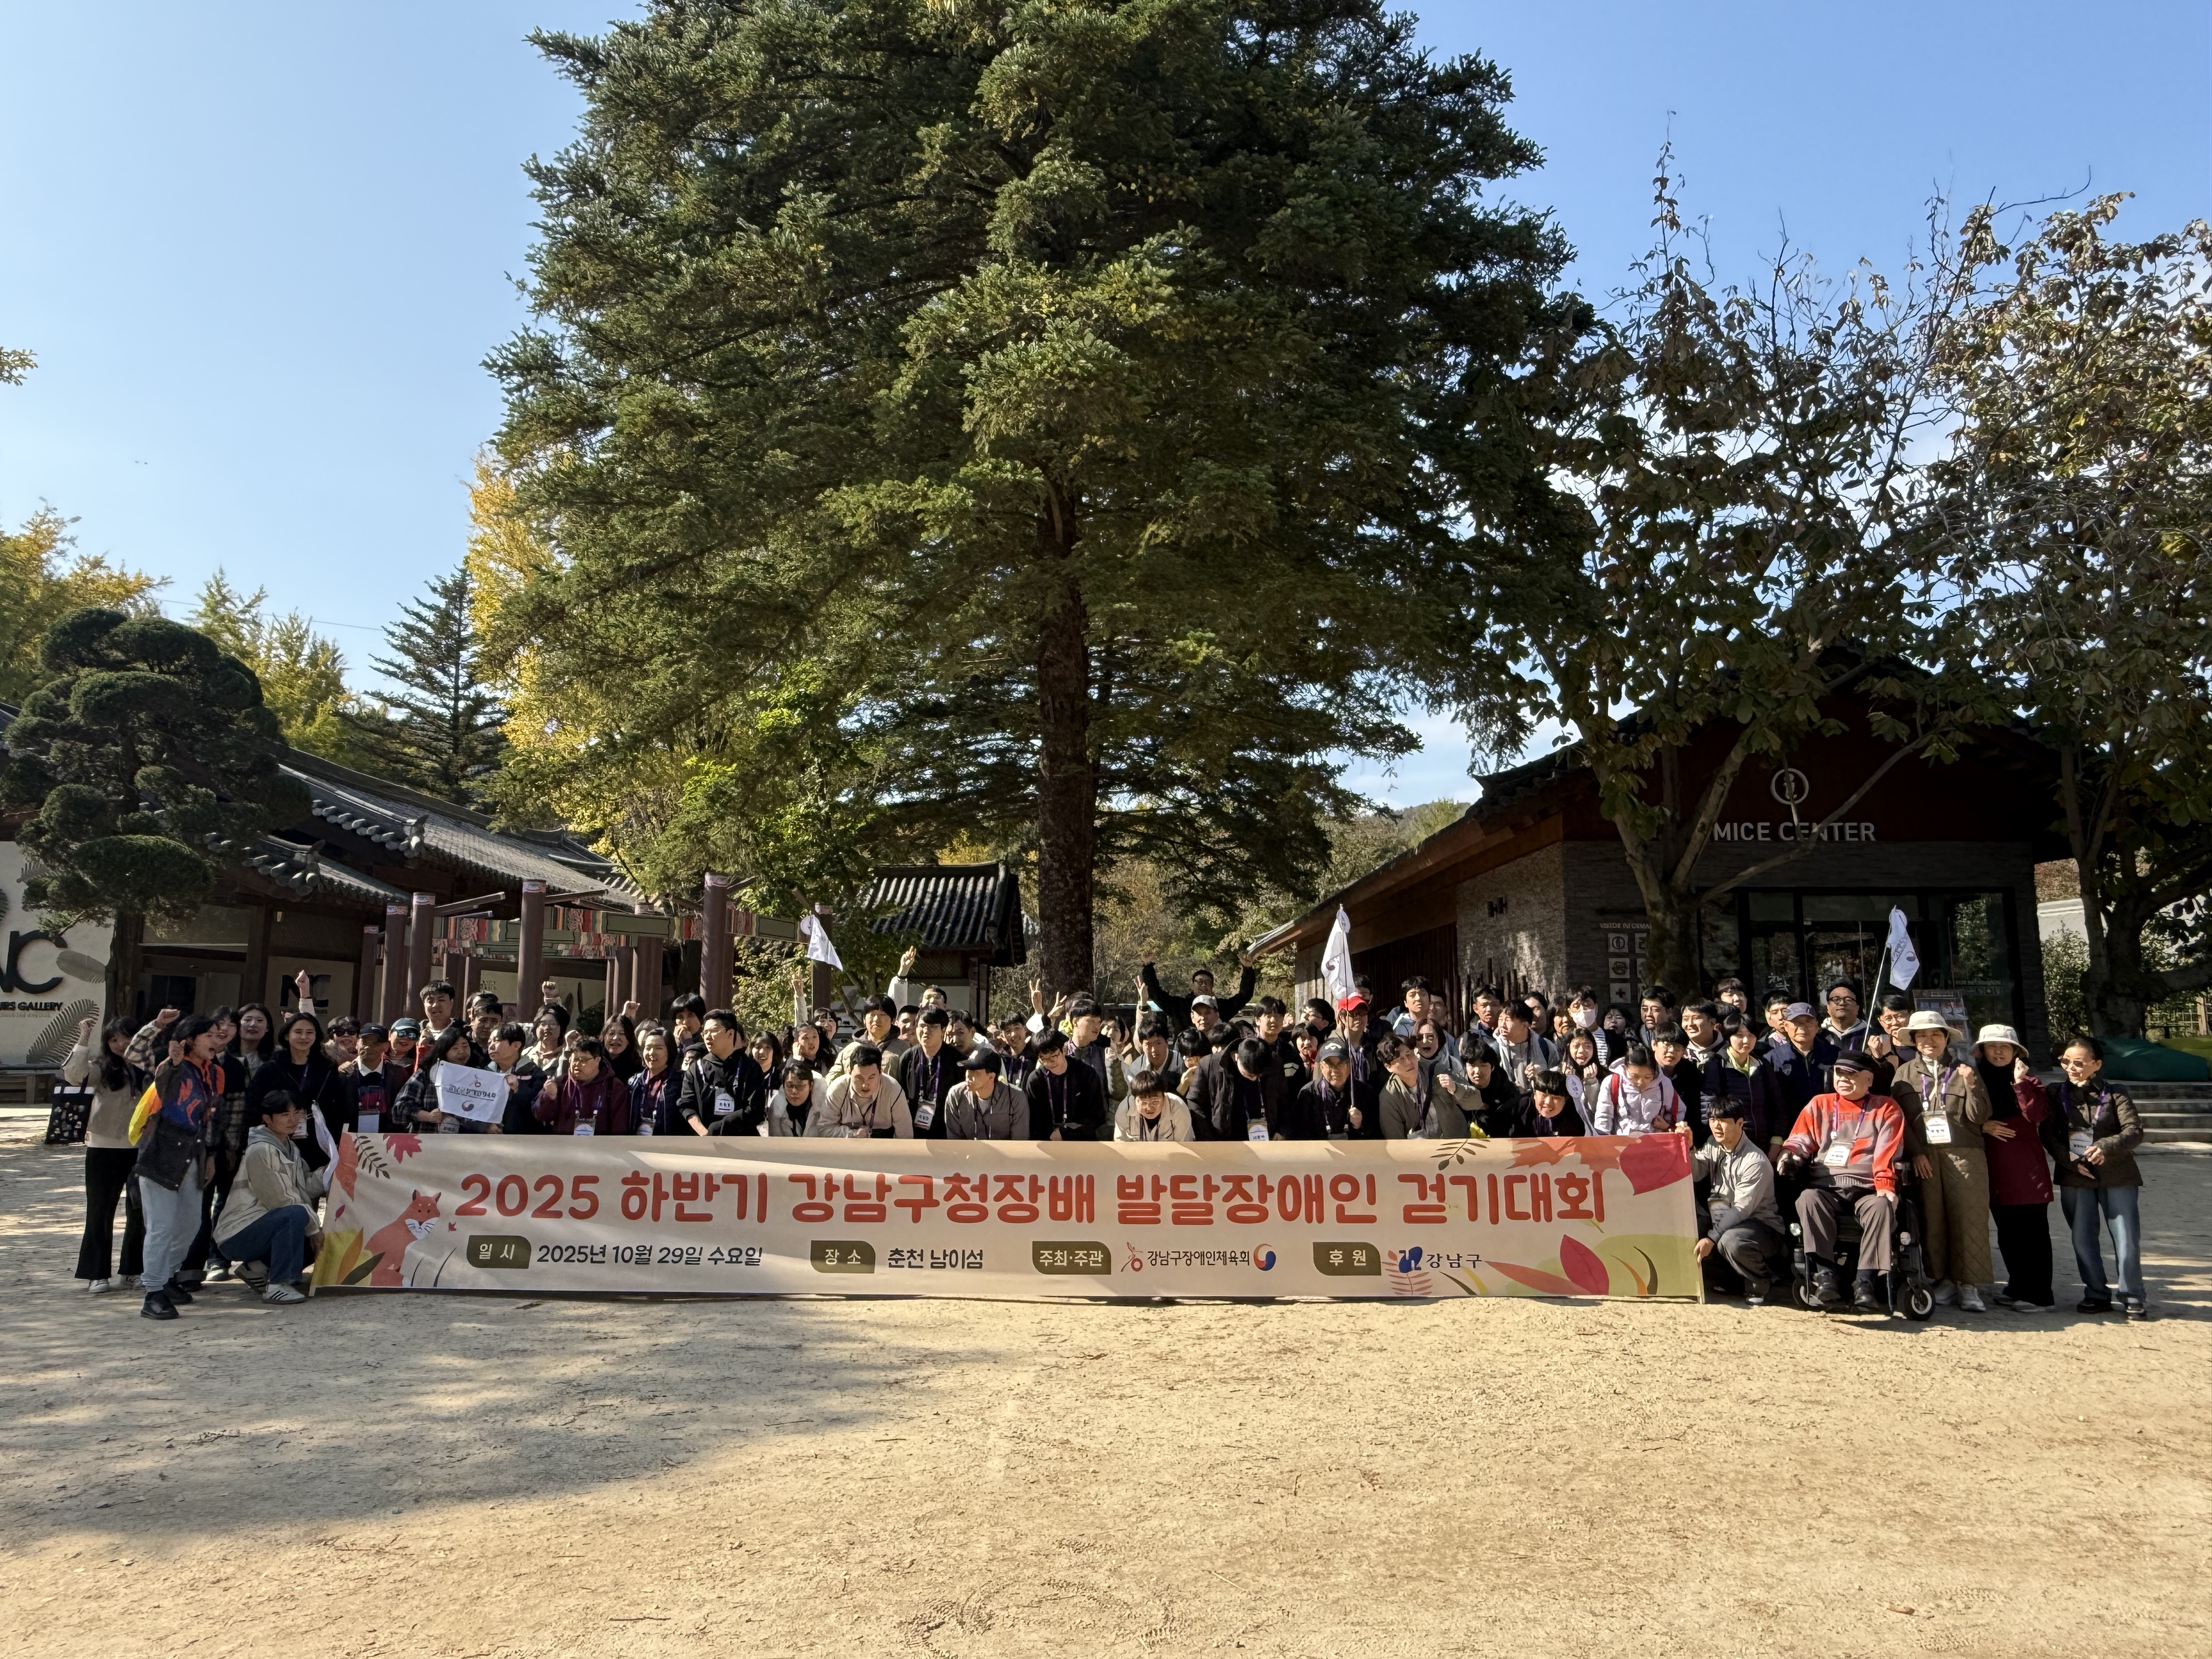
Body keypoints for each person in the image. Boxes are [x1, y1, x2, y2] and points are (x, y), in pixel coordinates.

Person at [1776, 1050, 1907, 1313]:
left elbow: (1887, 1152)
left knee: (1882, 1207)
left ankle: (1866, 1282)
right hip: (1826, 1187)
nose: (1843, 1079)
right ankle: (1825, 1276)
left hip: (1867, 1187)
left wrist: (1885, 1186)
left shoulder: (1886, 1108)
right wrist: (1789, 1155)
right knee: (1807, 1199)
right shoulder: (1819, 1104)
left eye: (1852, 1074)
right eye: (1839, 1073)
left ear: (1869, 1079)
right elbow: (1801, 1139)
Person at [1889, 1009, 1994, 1312]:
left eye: (1936, 1035)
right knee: (1932, 1218)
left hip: (1965, 1154)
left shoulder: (1964, 1070)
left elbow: (1980, 1117)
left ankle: (1969, 1284)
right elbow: (1899, 1120)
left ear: (1946, 1038)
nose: (1929, 1040)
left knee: (1968, 1218)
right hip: (1925, 1156)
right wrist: (1917, 1152)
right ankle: (1942, 1279)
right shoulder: (1905, 1073)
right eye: (1922, 1036)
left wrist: (1973, 1086)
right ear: (1915, 1040)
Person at [131, 1012, 224, 1321]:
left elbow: (210, 1119)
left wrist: (210, 1155)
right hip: (162, 1154)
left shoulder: (216, 1074)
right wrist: (172, 1060)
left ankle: (167, 1277)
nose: (216, 1039)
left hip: (195, 1155)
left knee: (189, 1225)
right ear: (190, 1040)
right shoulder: (172, 1067)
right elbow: (164, 1085)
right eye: (209, 1034)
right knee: (161, 1227)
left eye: (217, 1034)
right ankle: (153, 1292)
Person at [2051, 1036, 2148, 1317]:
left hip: (2117, 1174)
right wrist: (2070, 1162)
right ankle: (2096, 1293)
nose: (2071, 1067)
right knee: (2082, 1238)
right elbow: (2049, 1134)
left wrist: (2106, 1146)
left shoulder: (2116, 1092)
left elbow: (2134, 1131)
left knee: (2126, 1238)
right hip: (2076, 1174)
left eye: (2079, 1063)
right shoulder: (2056, 1093)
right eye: (2066, 1062)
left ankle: (2132, 1295)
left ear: (2096, 1064)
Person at [210, 1088, 324, 1305]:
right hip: (239, 1231)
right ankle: (278, 1285)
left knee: (309, 1230)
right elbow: (280, 1200)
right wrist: (314, 1229)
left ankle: (256, 1269)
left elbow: (304, 1186)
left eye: (297, 1113)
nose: (293, 1120)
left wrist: (328, 1175)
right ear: (267, 1119)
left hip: (262, 1225)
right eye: (284, 1115)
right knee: (297, 1216)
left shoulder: (289, 1147)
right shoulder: (261, 1150)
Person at [1972, 1024, 2056, 1312]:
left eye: (2005, 1047)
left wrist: (2020, 1083)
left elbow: (2036, 1115)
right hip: (1993, 1166)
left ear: (2016, 1052)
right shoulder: (1975, 1080)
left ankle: (2040, 1294)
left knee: (2033, 1231)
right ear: (1982, 1050)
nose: (1998, 1051)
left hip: (2025, 1167)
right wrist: (1983, 1125)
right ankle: (2018, 1286)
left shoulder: (2030, 1082)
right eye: (1992, 1046)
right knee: (2007, 1231)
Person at [66, 1016, 146, 1294]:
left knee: (140, 1212)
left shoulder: (150, 1066)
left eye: (126, 1037)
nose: (121, 1044)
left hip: (142, 1148)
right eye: (114, 1039)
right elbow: (74, 1075)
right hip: (104, 1147)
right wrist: (83, 1039)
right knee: (100, 1211)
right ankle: (96, 1273)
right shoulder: (102, 1066)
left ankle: (133, 1270)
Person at [1691, 1096, 1786, 1304]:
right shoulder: (1712, 1144)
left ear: (1740, 1123)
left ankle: (1762, 1280)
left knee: (1732, 1241)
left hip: (1760, 1227)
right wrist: (1689, 1147)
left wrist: (1712, 1238)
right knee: (1690, 1236)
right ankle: (1735, 1281)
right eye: (1713, 1120)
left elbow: (1741, 1210)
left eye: (1723, 1120)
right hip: (1721, 1221)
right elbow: (1695, 1173)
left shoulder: (1755, 1161)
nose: (1717, 1126)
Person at [245, 1010, 347, 1171]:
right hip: (279, 1138)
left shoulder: (327, 1068)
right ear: (287, 1035)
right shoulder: (271, 1068)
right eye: (298, 1032)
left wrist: (336, 1138)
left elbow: (338, 1107)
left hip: (317, 1140)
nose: (304, 1037)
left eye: (309, 1033)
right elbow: (253, 1105)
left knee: (312, 1187)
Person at [391, 1026, 500, 1135]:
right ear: (444, 1051)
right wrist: (427, 1116)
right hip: (427, 1143)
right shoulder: (427, 1074)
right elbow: (400, 1108)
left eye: (465, 1046)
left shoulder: (479, 1075)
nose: (462, 1052)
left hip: (465, 1145)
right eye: (455, 1048)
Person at [675, 1010, 769, 1136]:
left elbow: (755, 1111)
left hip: (742, 1144)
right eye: (705, 1032)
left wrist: (720, 1127)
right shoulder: (696, 1069)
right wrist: (705, 1134)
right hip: (706, 1144)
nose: (708, 1037)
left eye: (713, 1031)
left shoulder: (750, 1068)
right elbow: (686, 1105)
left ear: (730, 1033)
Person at [807, 1043, 913, 1137]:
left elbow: (905, 1135)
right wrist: (852, 1134)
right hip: (846, 1146)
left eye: (871, 1078)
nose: (865, 1084)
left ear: (881, 1073)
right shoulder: (838, 1089)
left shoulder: (893, 1090)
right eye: (859, 1078)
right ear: (849, 1072)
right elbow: (824, 1129)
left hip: (885, 1144)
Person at [1378, 1034, 1471, 1140]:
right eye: (1400, 1059)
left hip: (1454, 1145)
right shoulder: (1389, 1097)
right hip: (1418, 1153)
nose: (1408, 1062)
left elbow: (1475, 1101)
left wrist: (1456, 1089)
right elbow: (1395, 1141)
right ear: (1389, 1067)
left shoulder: (1437, 1070)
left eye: (1409, 1054)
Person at [533, 1039, 630, 1135]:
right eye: (575, 1059)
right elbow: (541, 1116)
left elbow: (619, 1128)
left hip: (600, 1148)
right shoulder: (560, 1084)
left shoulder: (614, 1087)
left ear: (598, 1060)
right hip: (565, 1147)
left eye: (583, 1060)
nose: (577, 1064)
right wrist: (549, 1097)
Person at [1026, 1028, 1108, 1142]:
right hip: (1048, 1142)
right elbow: (1035, 1122)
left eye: (1054, 1057)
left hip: (1082, 1142)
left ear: (1064, 1050)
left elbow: (1097, 1117)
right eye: (1044, 1059)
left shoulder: (1085, 1074)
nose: (1050, 1063)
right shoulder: (1036, 1080)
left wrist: (1067, 1134)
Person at [1138, 953, 1258, 1028]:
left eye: (1207, 983)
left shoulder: (1221, 1007)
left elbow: (1244, 996)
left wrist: (1248, 969)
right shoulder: (1180, 1006)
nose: (1204, 985)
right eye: (1200, 982)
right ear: (1192, 985)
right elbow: (1156, 994)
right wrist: (1148, 966)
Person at [1592, 1046, 1684, 1136]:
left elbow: (1678, 1112)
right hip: (1623, 1143)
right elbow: (1604, 1116)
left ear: (1654, 1072)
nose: (1640, 1082)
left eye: (1647, 1077)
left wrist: (1667, 1126)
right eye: (1635, 1077)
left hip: (1656, 1144)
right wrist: (1603, 1143)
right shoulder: (1612, 1082)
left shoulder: (1664, 1084)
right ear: (1625, 1068)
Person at [900, 1006, 963, 1138]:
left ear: (943, 1030)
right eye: (922, 1026)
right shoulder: (908, 1058)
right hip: (914, 1131)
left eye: (933, 1027)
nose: (926, 1031)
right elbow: (901, 1095)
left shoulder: (957, 1060)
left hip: (946, 1131)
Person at [943, 1048, 1030, 1139]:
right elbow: (954, 1142)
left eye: (975, 1071)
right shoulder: (956, 1095)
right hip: (968, 1153)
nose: (968, 1075)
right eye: (968, 1070)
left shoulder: (1015, 1098)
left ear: (991, 1077)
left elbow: (1019, 1143)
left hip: (1004, 1153)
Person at [831, 996, 904, 1077]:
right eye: (872, 1015)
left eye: (882, 1015)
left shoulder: (903, 1050)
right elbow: (833, 1080)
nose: (876, 1019)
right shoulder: (850, 1050)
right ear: (864, 1020)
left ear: (893, 1020)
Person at [629, 1028, 684, 1136]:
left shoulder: (680, 1082)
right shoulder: (634, 1082)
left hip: (666, 1145)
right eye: (648, 1048)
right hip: (636, 1144)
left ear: (670, 1051)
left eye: (658, 1048)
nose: (651, 1053)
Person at [1114, 1069, 1194, 1141]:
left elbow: (1184, 1145)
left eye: (1155, 1101)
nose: (1149, 1108)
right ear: (1135, 1099)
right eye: (1144, 1103)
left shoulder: (1178, 1108)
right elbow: (1120, 1143)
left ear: (1164, 1097)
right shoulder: (1125, 1109)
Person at [1510, 1069, 1591, 1137]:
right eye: (1544, 1096)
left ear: (1565, 1100)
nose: (1548, 1102)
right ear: (1535, 1095)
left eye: (1556, 1098)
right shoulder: (1520, 1109)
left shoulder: (1574, 1116)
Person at [233, 1002, 276, 1079]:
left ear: (268, 1027)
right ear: (237, 1026)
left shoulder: (276, 1059)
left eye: (259, 1021)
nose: (253, 1024)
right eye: (248, 1020)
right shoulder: (223, 1057)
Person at [600, 1013, 644, 1081]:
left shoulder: (636, 1067)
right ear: (604, 1037)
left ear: (629, 1040)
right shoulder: (595, 1060)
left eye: (622, 1034)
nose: (615, 1038)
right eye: (611, 1034)